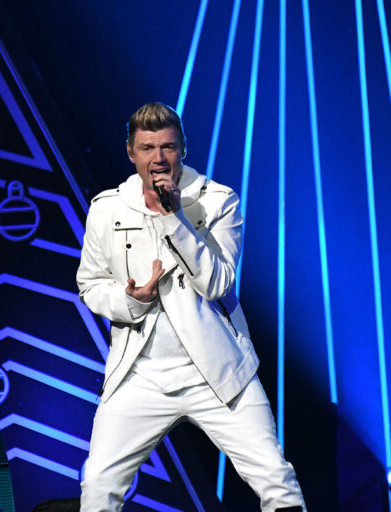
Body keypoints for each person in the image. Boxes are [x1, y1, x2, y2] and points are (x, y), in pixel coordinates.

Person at [76, 102, 306, 511]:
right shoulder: (107, 209)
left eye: (167, 147)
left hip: (216, 372)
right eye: (147, 148)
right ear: (131, 152)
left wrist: (174, 217)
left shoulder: (218, 201)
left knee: (275, 478)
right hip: (140, 374)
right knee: (97, 485)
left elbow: (217, 282)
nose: (158, 158)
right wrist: (130, 300)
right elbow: (90, 285)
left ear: (183, 149)